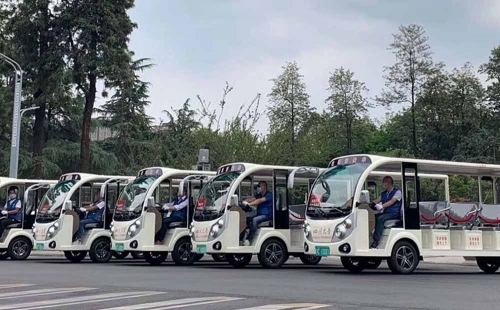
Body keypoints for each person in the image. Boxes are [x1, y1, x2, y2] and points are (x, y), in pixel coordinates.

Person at [370, 176, 402, 249]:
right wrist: (370, 203)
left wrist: (382, 206)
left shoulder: (397, 192)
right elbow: (377, 200)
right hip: (386, 213)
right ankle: (372, 233)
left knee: (380, 218)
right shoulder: (383, 193)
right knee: (374, 216)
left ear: (387, 183)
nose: (383, 184)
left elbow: (392, 201)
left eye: (383, 182)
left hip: (394, 214)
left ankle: (376, 241)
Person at [240, 181, 273, 246]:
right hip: (259, 214)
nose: (258, 188)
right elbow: (252, 198)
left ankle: (249, 240)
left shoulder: (269, 195)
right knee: (244, 220)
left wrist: (249, 204)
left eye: (259, 186)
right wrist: (243, 201)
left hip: (267, 215)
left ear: (264, 187)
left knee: (255, 220)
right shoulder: (259, 195)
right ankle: (241, 239)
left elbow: (259, 201)